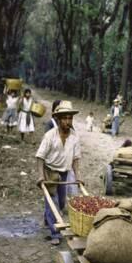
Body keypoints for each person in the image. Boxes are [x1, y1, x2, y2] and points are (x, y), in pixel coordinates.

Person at [36, 101, 82, 245]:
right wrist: (41, 175)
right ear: (58, 119)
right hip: (50, 172)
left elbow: (75, 159)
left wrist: (78, 177)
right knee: (53, 203)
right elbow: (40, 157)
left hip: (64, 174)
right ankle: (55, 233)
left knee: (61, 203)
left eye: (70, 118)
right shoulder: (50, 135)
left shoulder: (74, 137)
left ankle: (47, 217)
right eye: (65, 118)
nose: (68, 121)